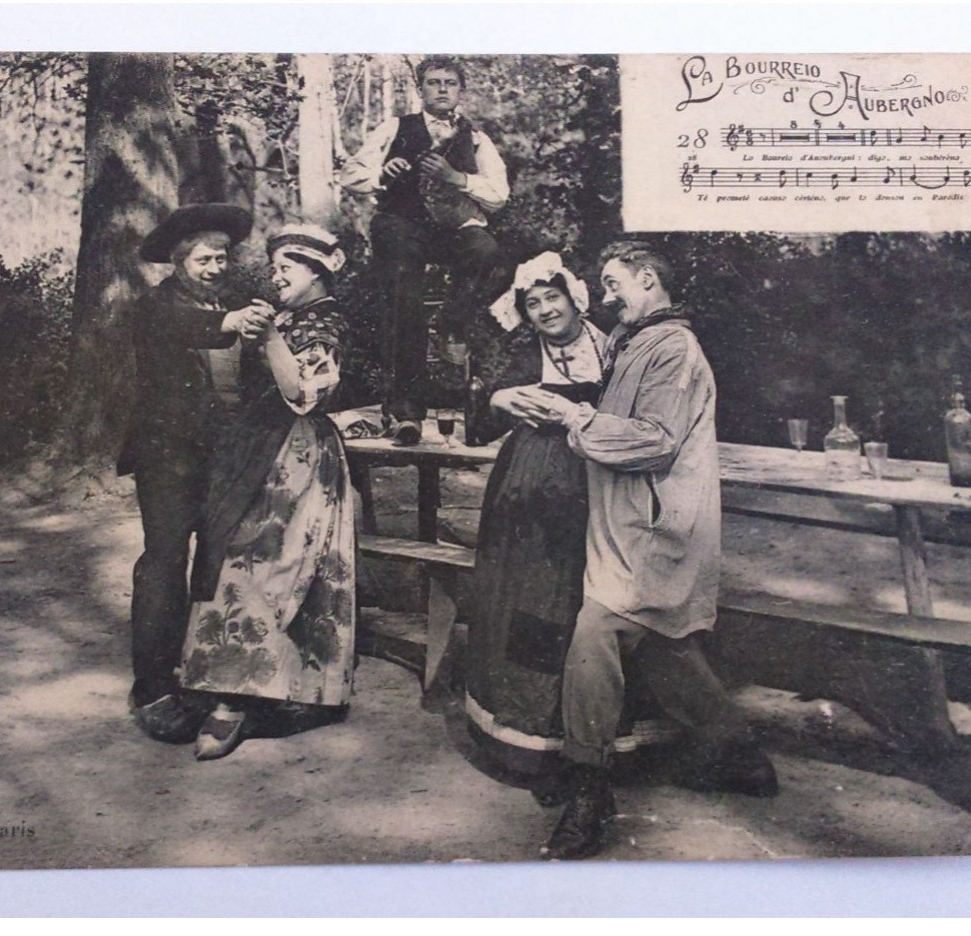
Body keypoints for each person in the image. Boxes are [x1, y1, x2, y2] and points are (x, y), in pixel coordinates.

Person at [521, 240, 778, 861]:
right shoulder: (633, 342)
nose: (604, 297)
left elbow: (653, 442)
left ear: (646, 280)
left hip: (658, 527)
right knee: (663, 643)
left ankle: (590, 786)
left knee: (599, 631)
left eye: (612, 284)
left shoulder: (674, 349)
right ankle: (739, 754)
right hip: (627, 522)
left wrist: (570, 419)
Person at [464, 253, 680, 797]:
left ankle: (602, 740)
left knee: (596, 596)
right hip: (530, 489)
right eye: (532, 304)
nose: (544, 310)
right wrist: (501, 396)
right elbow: (481, 410)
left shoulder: (612, 344)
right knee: (534, 594)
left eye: (551, 298)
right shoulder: (524, 353)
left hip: (599, 481)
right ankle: (535, 744)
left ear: (573, 297)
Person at [177, 224, 358, 761]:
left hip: (297, 455)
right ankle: (236, 685)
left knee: (269, 564)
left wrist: (271, 339)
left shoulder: (327, 321)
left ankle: (237, 700)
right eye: (274, 266)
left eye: (288, 268)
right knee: (243, 558)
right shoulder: (284, 316)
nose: (277, 275)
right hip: (256, 446)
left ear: (318, 273)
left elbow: (305, 392)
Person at [120, 203, 273, 743]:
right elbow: (185, 327)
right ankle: (153, 688)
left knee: (219, 560)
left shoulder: (232, 303)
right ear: (179, 261)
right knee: (164, 562)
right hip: (166, 454)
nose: (216, 267)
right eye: (205, 259)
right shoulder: (157, 307)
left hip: (223, 453)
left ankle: (206, 674)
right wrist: (229, 323)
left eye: (222, 258)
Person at [339, 55, 510, 445]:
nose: (443, 89)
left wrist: (459, 179)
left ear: (460, 90)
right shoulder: (395, 127)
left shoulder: (477, 138)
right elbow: (351, 173)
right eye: (434, 82)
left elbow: (499, 196)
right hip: (404, 224)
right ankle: (407, 412)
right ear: (421, 89)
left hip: (451, 229)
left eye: (450, 82)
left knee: (486, 251)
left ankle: (452, 322)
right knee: (405, 296)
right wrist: (380, 174)